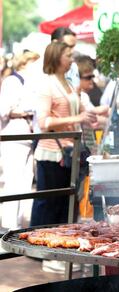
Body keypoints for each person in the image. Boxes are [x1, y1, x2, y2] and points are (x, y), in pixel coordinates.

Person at [30, 42, 97, 228]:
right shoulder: (47, 85)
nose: (71, 59)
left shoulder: (67, 84)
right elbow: (44, 123)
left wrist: (92, 116)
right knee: (50, 202)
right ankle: (38, 244)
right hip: (52, 153)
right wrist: (78, 117)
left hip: (69, 152)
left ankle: (58, 244)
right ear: (57, 58)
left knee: (65, 202)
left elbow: (80, 112)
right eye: (68, 55)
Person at [0, 51, 40, 229]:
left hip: (28, 136)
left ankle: (20, 222)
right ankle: (10, 223)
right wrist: (26, 111)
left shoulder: (30, 83)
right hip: (14, 136)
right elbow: (4, 110)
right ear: (25, 63)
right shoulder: (13, 81)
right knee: (14, 180)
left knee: (25, 180)